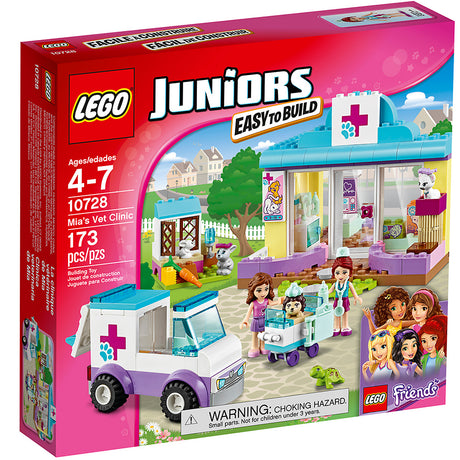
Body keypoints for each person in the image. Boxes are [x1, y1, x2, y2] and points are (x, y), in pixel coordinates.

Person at [240, 272, 282, 357]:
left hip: (264, 319)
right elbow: (249, 312)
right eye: (259, 290)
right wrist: (245, 320)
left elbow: (273, 303)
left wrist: (279, 301)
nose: (263, 293)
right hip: (256, 320)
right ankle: (254, 347)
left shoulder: (266, 301)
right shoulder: (253, 303)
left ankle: (263, 346)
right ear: (253, 290)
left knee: (264, 334)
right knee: (255, 334)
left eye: (266, 289)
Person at [328, 247, 362, 336]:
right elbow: (330, 291)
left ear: (349, 272)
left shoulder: (348, 284)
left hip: (345, 300)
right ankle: (336, 326)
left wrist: (356, 297)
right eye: (337, 273)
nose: (340, 276)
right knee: (336, 313)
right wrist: (324, 294)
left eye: (344, 272)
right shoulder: (335, 284)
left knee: (345, 313)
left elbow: (353, 291)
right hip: (337, 300)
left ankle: (345, 326)